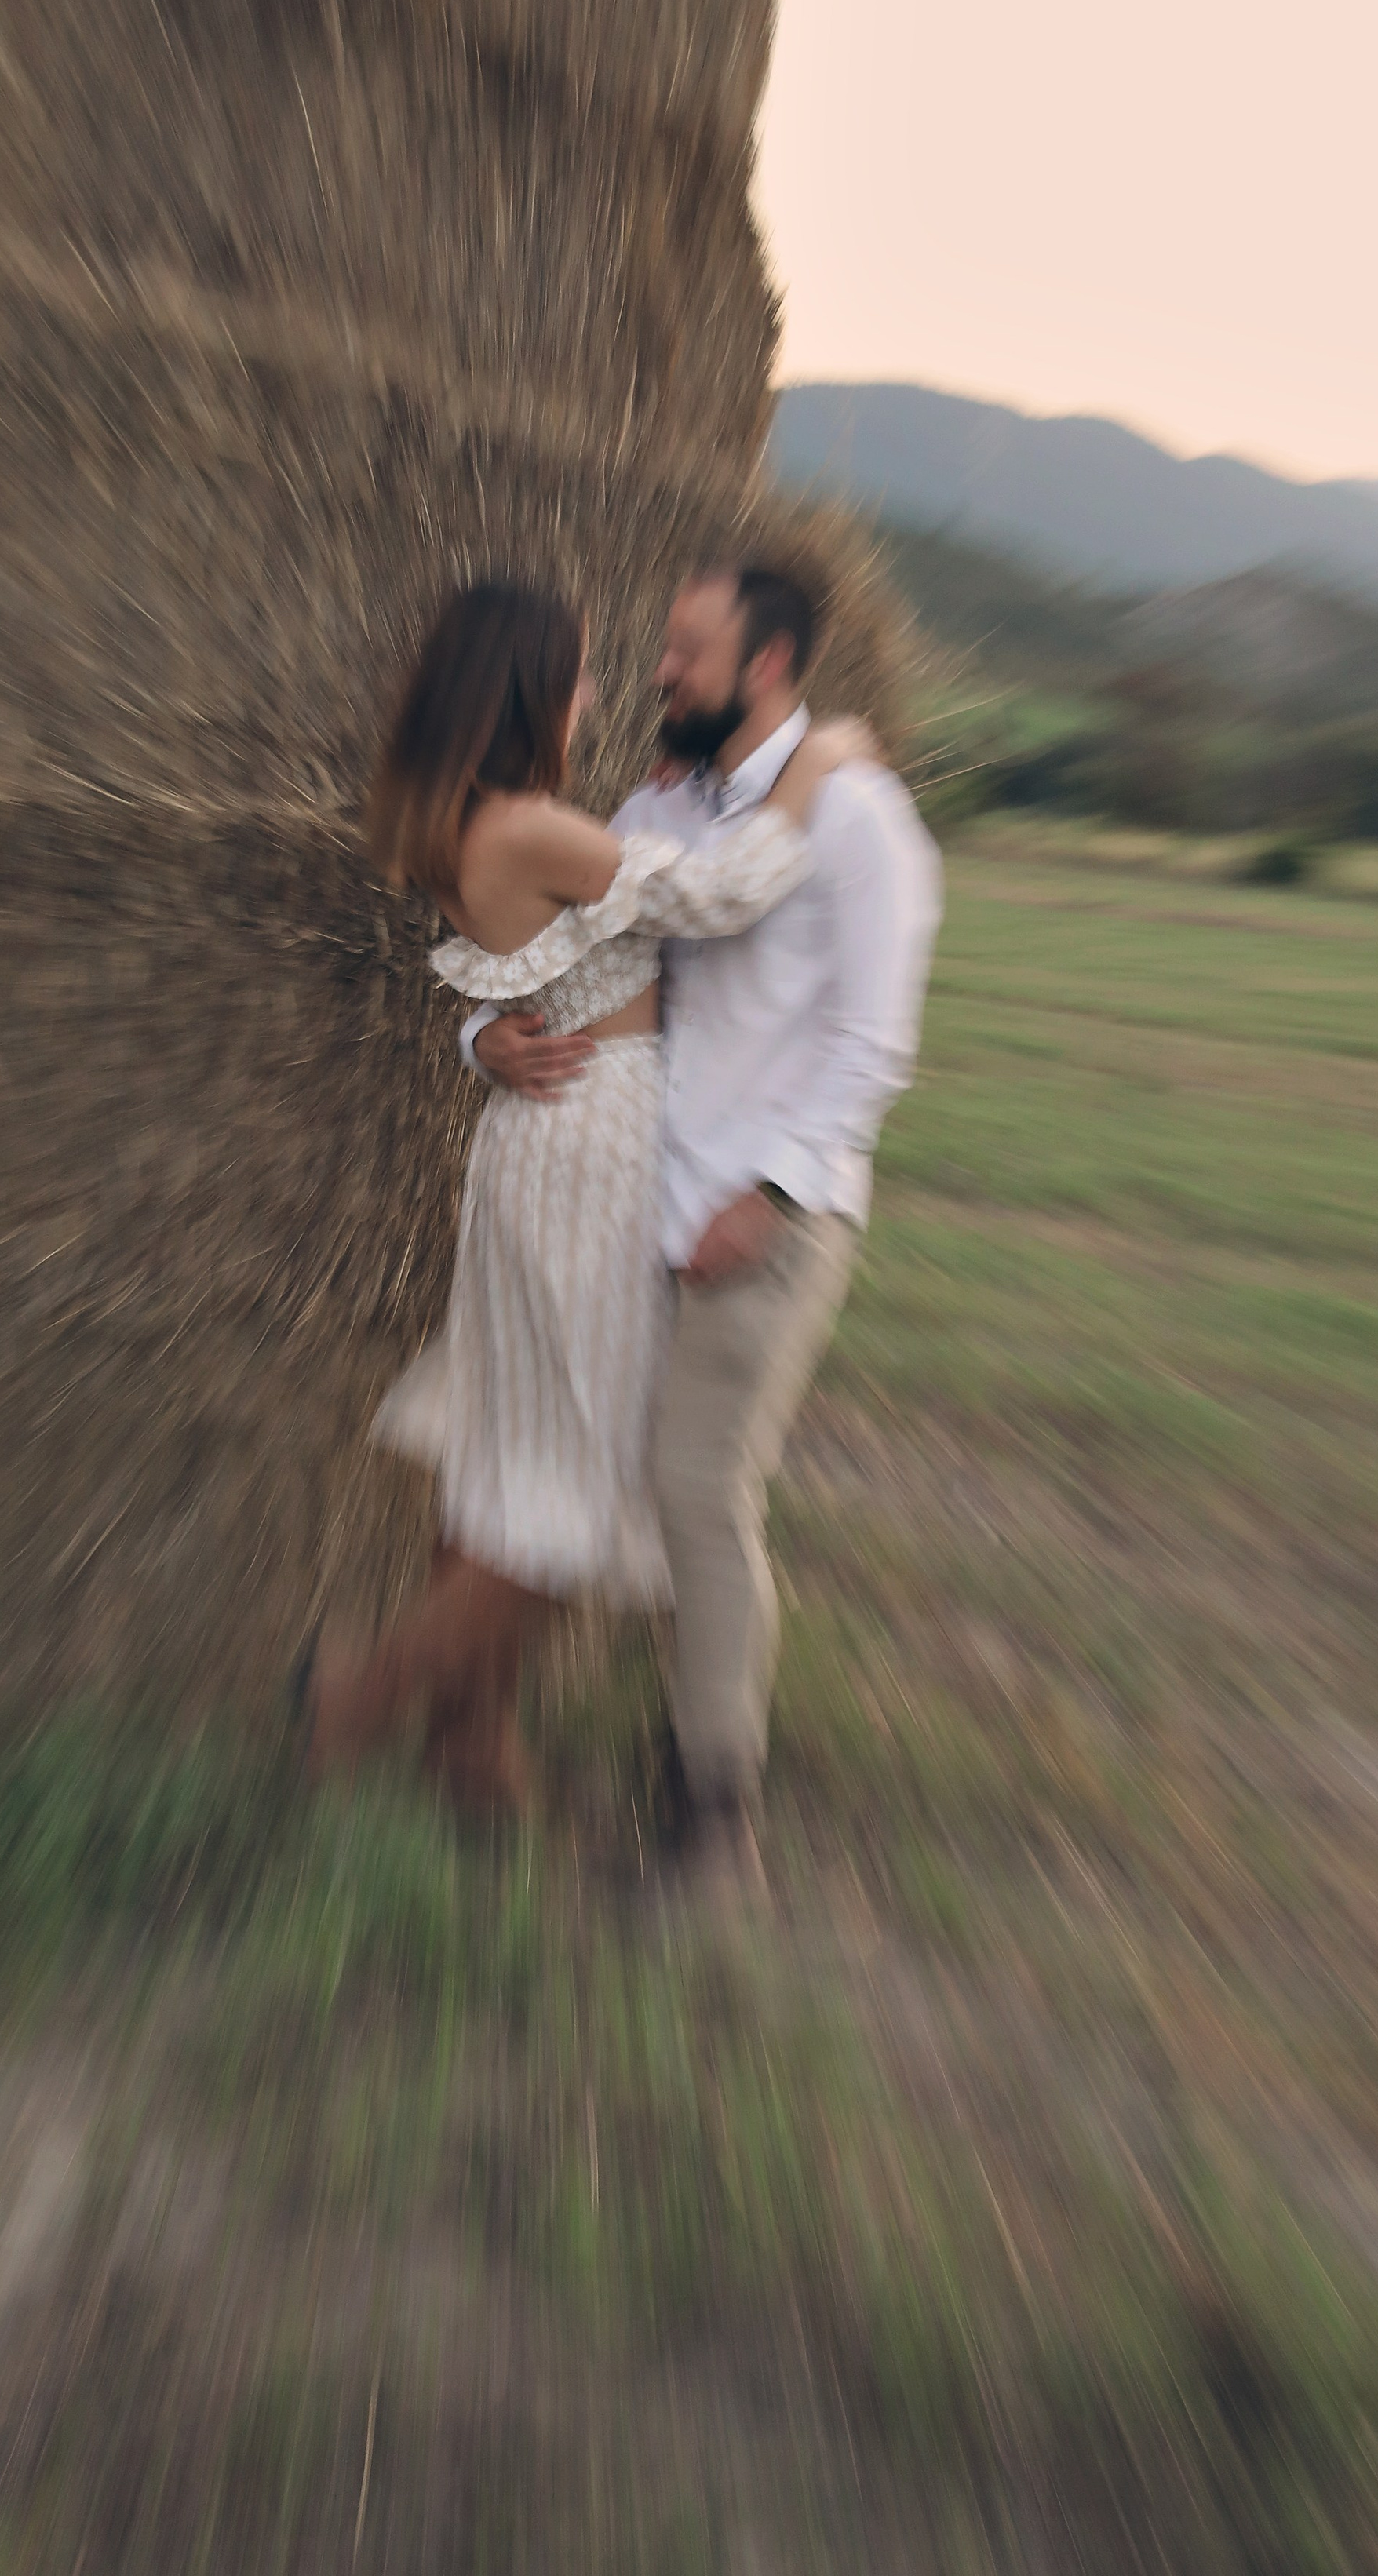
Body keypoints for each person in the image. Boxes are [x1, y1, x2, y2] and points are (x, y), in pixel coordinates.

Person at [298, 577, 865, 1817]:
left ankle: (473, 1752)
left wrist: (481, 1040)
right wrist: (818, 762)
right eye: (582, 674)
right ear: (527, 690)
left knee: (502, 1450)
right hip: (597, 1147)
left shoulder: (463, 820)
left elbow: (520, 980)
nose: (601, 693)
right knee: (580, 1487)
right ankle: (360, 1702)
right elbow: (722, 895)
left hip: (530, 1135)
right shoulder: (533, 829)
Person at [465, 535, 942, 1899]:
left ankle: (715, 1813)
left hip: (769, 1219)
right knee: (605, 1484)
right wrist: (480, 1044)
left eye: (687, 651)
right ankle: (507, 1729)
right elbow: (556, 966)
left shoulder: (859, 820)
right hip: (634, 1206)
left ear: (770, 664)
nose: (660, 669)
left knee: (697, 1489)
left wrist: (777, 1190)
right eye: (665, 648)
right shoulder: (656, 811)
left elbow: (875, 1043)